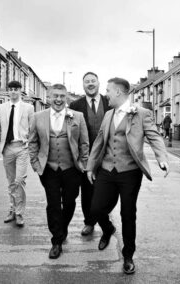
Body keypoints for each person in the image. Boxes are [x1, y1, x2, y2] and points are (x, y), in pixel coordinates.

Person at [86, 78, 169, 274]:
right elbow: (99, 142)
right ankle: (107, 229)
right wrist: (90, 167)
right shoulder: (108, 115)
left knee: (128, 214)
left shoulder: (141, 114)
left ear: (118, 93)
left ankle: (128, 255)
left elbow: (154, 136)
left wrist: (162, 158)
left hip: (130, 173)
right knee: (96, 209)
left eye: (108, 91)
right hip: (106, 170)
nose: (105, 94)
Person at [29, 84, 89, 259]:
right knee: (53, 204)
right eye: (55, 96)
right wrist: (35, 163)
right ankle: (56, 241)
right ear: (48, 97)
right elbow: (32, 141)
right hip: (49, 169)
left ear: (66, 98)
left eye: (62, 96)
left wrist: (83, 163)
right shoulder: (38, 117)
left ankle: (63, 228)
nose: (58, 99)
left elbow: (84, 143)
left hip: (72, 169)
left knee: (69, 203)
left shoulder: (77, 116)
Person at [0, 81, 34, 227]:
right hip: (7, 148)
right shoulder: (2, 107)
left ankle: (19, 213)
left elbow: (33, 128)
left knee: (19, 181)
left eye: (16, 89)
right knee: (11, 182)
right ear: (8, 91)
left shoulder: (28, 108)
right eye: (11, 89)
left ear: (20, 91)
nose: (13, 92)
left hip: (22, 148)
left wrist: (30, 142)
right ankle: (12, 210)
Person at [69, 72, 111, 236]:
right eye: (87, 82)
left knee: (107, 191)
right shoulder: (75, 105)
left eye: (93, 81)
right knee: (87, 191)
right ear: (83, 85)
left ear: (99, 83)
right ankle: (89, 222)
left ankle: (104, 220)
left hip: (107, 155)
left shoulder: (109, 102)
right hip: (85, 156)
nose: (90, 84)